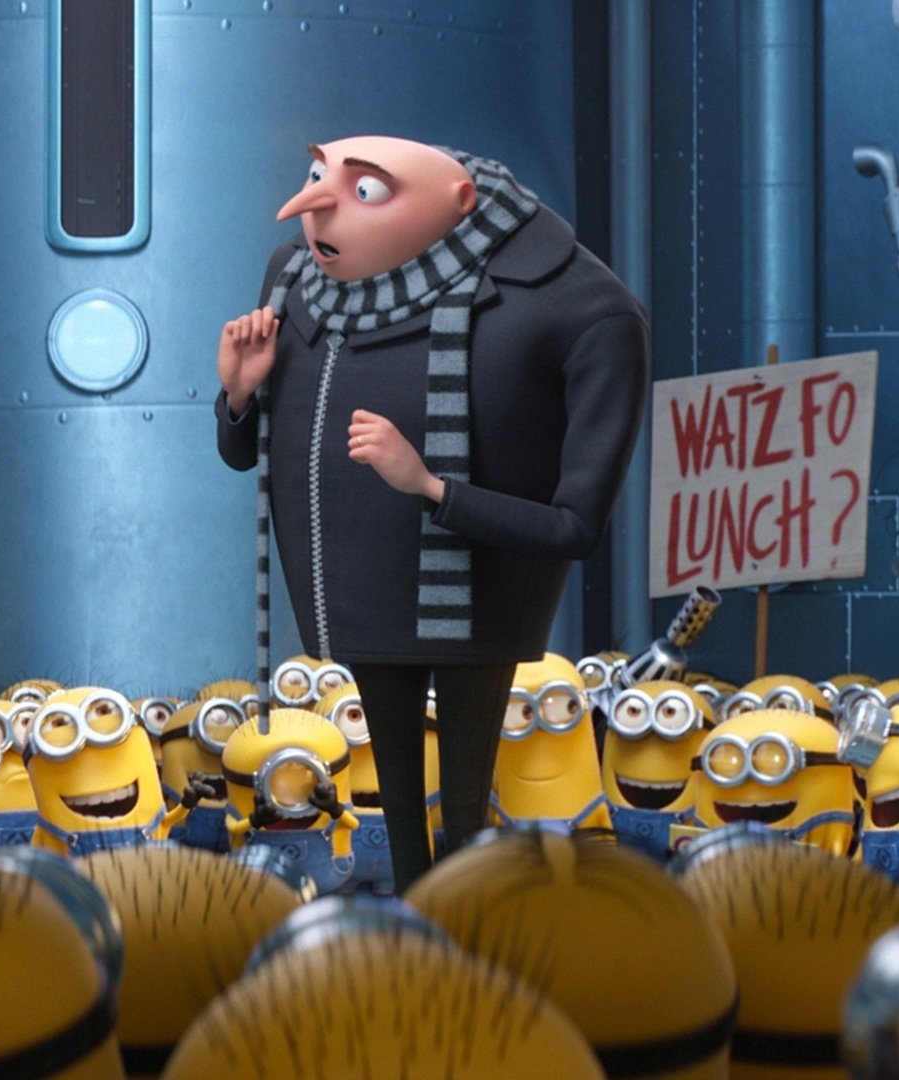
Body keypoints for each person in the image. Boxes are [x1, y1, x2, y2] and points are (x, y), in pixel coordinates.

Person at [214, 135, 648, 892]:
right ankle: (419, 915)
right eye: (317, 177)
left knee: (467, 800)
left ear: (460, 205)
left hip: (481, 608)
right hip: (355, 598)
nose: (316, 210)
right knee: (397, 797)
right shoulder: (297, 283)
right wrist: (240, 395)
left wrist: (430, 487)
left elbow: (574, 529)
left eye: (365, 191)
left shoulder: (583, 309)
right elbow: (244, 451)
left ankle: (469, 918)